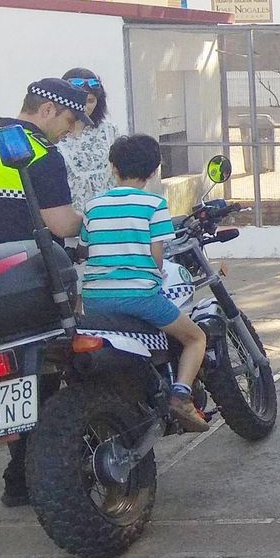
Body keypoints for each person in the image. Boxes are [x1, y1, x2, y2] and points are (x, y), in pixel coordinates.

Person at [0, 78, 89, 506]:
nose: (70, 130)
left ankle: (16, 478)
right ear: (48, 110)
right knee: (57, 371)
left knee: (14, 377)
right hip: (37, 279)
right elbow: (61, 223)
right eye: (70, 120)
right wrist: (89, 216)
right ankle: (46, 471)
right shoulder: (41, 154)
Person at [79, 134, 210, 433]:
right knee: (195, 338)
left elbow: (87, 248)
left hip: (95, 300)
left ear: (114, 167)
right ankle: (181, 396)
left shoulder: (93, 206)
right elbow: (156, 259)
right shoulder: (154, 204)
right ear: (153, 171)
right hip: (139, 297)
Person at [55, 68, 119, 215]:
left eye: (90, 100)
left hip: (108, 215)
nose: (84, 106)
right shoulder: (53, 133)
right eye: (80, 99)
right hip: (69, 216)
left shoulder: (110, 131)